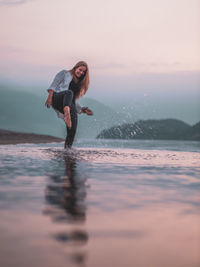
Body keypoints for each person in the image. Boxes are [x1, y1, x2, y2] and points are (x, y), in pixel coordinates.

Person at [45, 61, 93, 148]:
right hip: (57, 98)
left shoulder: (79, 84)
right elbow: (53, 85)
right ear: (76, 67)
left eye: (83, 72)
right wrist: (49, 98)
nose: (81, 73)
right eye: (80, 70)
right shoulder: (64, 73)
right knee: (69, 92)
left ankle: (67, 151)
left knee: (73, 130)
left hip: (68, 103)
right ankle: (67, 112)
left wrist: (83, 110)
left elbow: (74, 101)